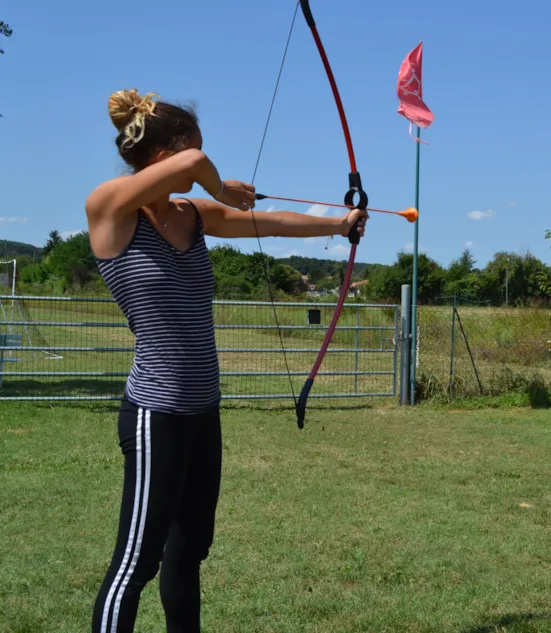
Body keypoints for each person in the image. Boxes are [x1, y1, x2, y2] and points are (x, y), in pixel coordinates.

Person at [86, 89, 367, 633]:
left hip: (202, 412)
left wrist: (339, 224)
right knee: (135, 564)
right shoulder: (110, 206)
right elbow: (195, 166)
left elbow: (273, 225)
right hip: (155, 414)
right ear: (166, 153)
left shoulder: (190, 214)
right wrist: (223, 185)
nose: (199, 168)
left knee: (189, 550)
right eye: (195, 150)